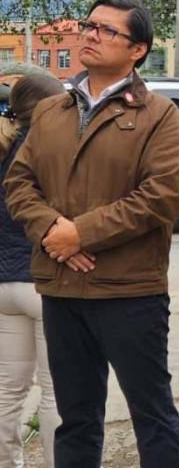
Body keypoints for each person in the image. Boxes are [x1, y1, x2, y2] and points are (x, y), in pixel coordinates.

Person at [4, 0, 179, 467]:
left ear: (138, 50)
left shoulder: (160, 116)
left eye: (108, 30)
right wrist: (54, 233)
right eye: (90, 26)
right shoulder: (52, 111)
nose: (91, 35)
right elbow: (19, 183)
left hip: (130, 291)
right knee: (76, 418)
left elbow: (161, 196)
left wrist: (81, 234)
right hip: (61, 287)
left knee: (151, 414)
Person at [0, 70, 65, 468]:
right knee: (58, 392)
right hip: (44, 283)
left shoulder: (5, 144)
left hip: (4, 284)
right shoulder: (47, 150)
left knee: (7, 391)